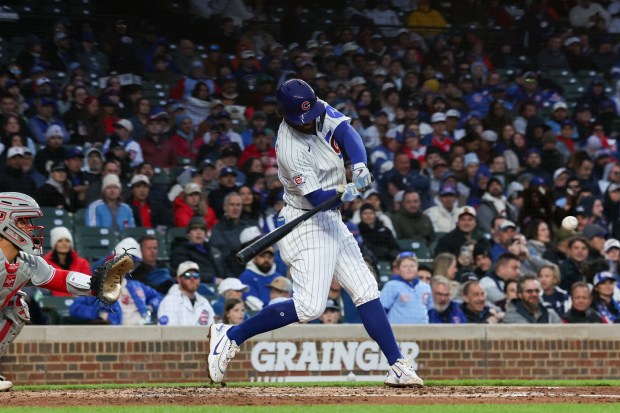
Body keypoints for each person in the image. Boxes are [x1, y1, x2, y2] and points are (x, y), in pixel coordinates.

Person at [206, 79, 424, 388]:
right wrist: (345, 193)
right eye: (304, 120)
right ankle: (230, 335)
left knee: (365, 289)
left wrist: (359, 165)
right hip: (306, 219)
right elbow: (317, 201)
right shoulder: (289, 149)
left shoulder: (317, 109)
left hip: (331, 219)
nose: (311, 123)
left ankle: (397, 365)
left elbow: (347, 132)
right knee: (310, 307)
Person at [0, 192, 114, 391]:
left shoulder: (26, 262)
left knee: (17, 307)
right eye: (24, 220)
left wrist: (96, 285)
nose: (30, 227)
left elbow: (58, 278)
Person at [157, 261, 216, 326]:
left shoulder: (204, 303)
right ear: (179, 279)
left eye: (196, 275)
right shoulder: (169, 301)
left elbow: (212, 332)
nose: (192, 278)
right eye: (187, 275)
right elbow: (167, 333)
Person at [380, 253, 433, 324]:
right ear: (399, 269)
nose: (409, 269)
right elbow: (382, 310)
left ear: (417, 267)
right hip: (398, 330)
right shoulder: (391, 285)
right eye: (404, 266)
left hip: (422, 330)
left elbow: (431, 310)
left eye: (412, 265)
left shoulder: (425, 286)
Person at [238, 227, 282, 308]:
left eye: (269, 257)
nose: (266, 260)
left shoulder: (278, 276)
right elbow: (251, 301)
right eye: (262, 256)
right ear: (254, 258)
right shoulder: (246, 276)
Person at [42, 226, 91, 297]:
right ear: (54, 244)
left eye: (67, 241)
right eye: (60, 241)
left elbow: (88, 285)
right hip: (54, 302)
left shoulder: (82, 263)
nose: (64, 243)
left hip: (78, 301)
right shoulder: (44, 263)